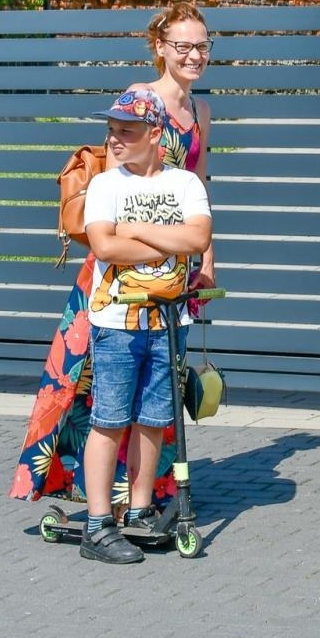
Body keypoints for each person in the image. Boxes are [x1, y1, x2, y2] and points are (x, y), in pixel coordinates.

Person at [12, 3, 217, 509]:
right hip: (118, 271)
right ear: (160, 48)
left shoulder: (203, 111)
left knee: (156, 387)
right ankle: (102, 496)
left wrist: (207, 260)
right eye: (183, 46)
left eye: (203, 46)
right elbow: (116, 179)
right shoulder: (140, 100)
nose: (194, 56)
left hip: (173, 270)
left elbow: (202, 187)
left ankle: (146, 494)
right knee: (91, 383)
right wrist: (148, 237)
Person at [77, 86, 213, 564]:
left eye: (126, 132)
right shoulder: (105, 185)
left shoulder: (184, 185)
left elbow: (198, 237)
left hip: (167, 320)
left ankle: (137, 510)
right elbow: (105, 248)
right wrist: (166, 245)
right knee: (110, 420)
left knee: (153, 419)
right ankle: (97, 525)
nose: (114, 140)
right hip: (116, 321)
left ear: (155, 134)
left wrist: (133, 230)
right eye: (111, 131)